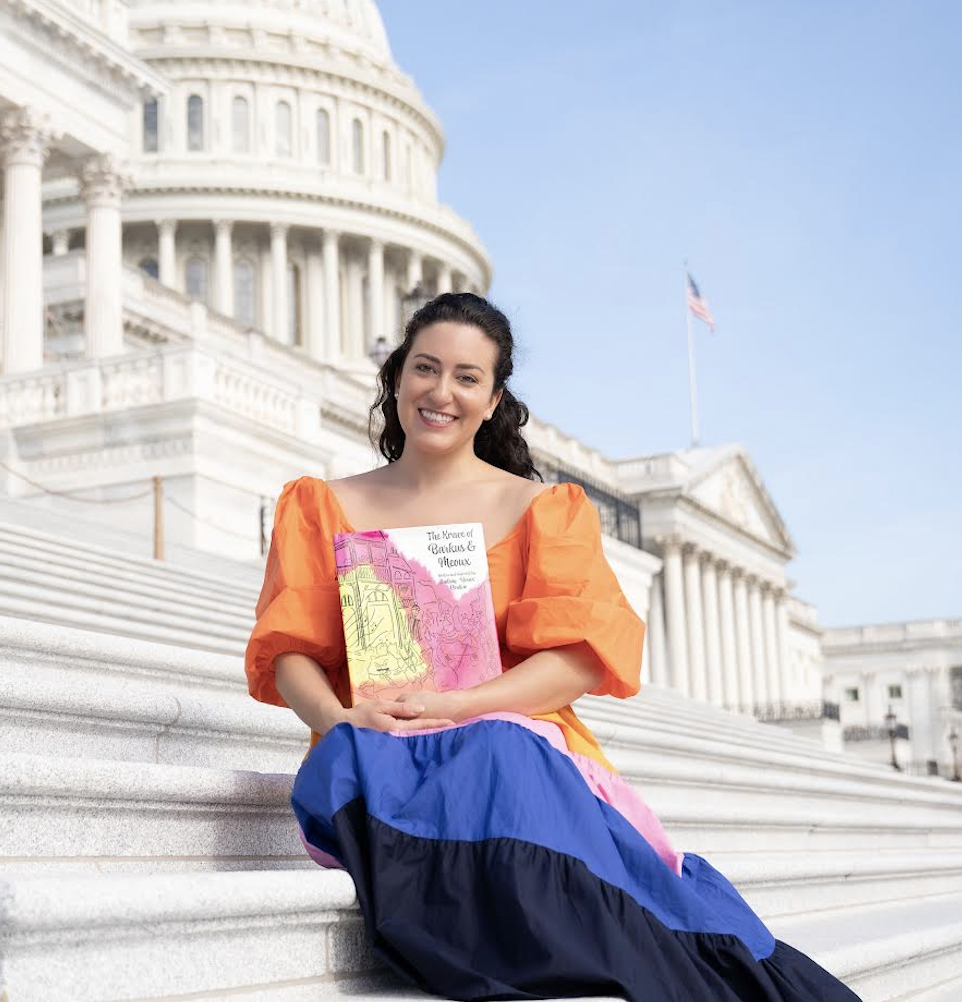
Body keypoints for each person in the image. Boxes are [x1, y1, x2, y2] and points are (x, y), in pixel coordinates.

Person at [245, 293, 862, 1002]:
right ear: (395, 375)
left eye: (467, 377)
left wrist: (459, 703)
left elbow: (575, 659)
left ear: (492, 397)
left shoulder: (543, 510)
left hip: (514, 743)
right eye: (425, 368)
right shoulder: (320, 505)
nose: (441, 391)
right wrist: (337, 718)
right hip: (374, 740)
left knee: (500, 751)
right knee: (402, 762)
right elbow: (289, 646)